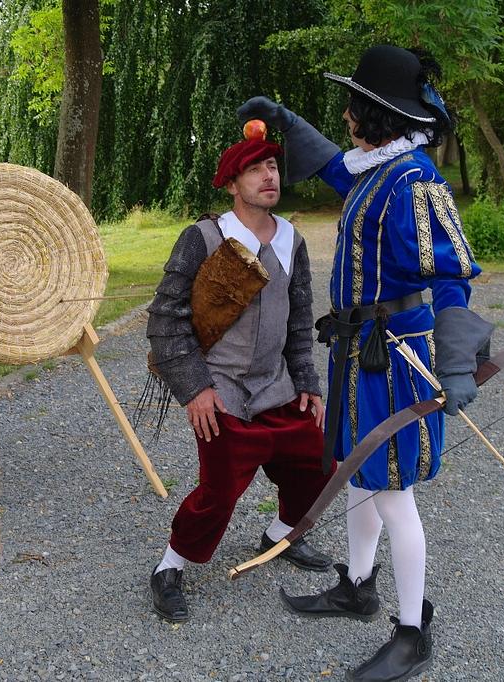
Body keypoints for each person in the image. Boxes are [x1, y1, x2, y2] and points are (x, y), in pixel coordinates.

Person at [238, 45, 493, 681]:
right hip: (359, 350)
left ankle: (412, 633)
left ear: (376, 115)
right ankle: (357, 586)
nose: (347, 115)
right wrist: (285, 120)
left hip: (397, 356)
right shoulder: (377, 169)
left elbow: (451, 277)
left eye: (354, 105)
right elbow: (334, 166)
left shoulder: (414, 182)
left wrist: (456, 363)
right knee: (357, 471)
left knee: (392, 492)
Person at [145, 135, 336, 623]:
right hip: (222, 389)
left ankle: (280, 534)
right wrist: (196, 389)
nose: (269, 175)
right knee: (220, 492)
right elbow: (165, 319)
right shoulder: (204, 238)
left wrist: (308, 383)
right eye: (255, 169)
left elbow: (298, 321)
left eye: (272, 165)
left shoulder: (291, 239)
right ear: (232, 184)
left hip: (278, 385)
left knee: (317, 465)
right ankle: (169, 567)